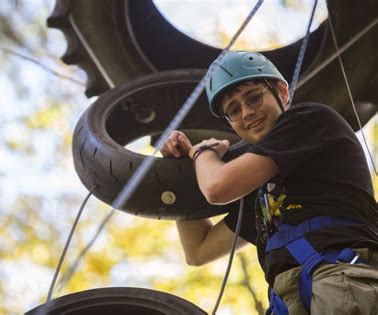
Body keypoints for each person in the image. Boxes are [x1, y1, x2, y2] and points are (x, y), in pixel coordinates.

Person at [160, 50, 378, 314]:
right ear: (230, 124)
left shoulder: (311, 120)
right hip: (286, 301)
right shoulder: (262, 195)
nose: (248, 112)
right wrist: (180, 170)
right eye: (234, 110)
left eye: (254, 97)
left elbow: (217, 188)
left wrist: (201, 153)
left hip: (341, 281)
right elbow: (198, 250)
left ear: (282, 92)